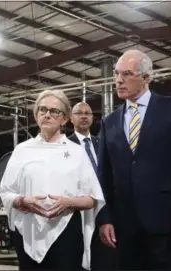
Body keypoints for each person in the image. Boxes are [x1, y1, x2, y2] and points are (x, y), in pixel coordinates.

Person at [97, 49, 171, 270]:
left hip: (168, 223)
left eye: (127, 74)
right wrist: (105, 218)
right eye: (116, 74)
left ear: (146, 77)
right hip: (125, 228)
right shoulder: (110, 122)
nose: (118, 80)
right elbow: (104, 175)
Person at [0, 90, 105, 270]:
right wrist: (22, 200)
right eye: (42, 110)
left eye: (54, 111)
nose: (47, 114)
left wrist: (69, 202)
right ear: (36, 115)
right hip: (28, 232)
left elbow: (92, 199)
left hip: (66, 232)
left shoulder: (76, 152)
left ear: (64, 119)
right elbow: (6, 192)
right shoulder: (22, 150)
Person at [69, 102, 117, 270]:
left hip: (104, 209)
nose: (83, 116)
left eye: (87, 113)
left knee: (104, 258)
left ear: (92, 118)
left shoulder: (101, 143)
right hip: (79, 210)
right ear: (70, 118)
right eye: (78, 113)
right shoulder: (66, 146)